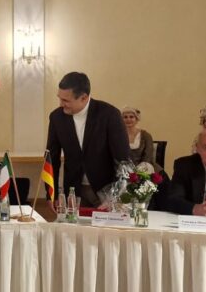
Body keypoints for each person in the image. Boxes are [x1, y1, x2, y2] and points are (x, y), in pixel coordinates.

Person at [45, 72, 130, 208]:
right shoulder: (56, 117)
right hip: (73, 191)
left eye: (66, 100)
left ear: (84, 98)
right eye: (60, 99)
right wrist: (51, 194)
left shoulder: (109, 114)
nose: (61, 104)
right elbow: (51, 158)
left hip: (105, 192)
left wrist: (114, 196)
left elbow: (123, 160)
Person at [121, 106, 158, 170]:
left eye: (131, 117)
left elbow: (148, 156)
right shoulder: (118, 135)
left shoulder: (146, 135)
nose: (128, 119)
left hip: (145, 167)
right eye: (125, 117)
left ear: (137, 119)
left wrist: (139, 170)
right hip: (124, 168)